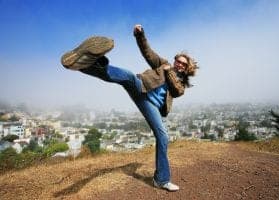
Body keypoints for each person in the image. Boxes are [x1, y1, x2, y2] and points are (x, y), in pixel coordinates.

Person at [61, 24, 198, 192]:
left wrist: (169, 72)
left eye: (182, 63)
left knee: (163, 137)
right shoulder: (163, 64)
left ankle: (161, 180)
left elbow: (176, 90)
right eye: (177, 60)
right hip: (141, 87)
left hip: (151, 105)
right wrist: (140, 35)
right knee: (128, 76)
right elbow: (148, 52)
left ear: (187, 68)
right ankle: (84, 65)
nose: (178, 64)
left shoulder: (182, 83)